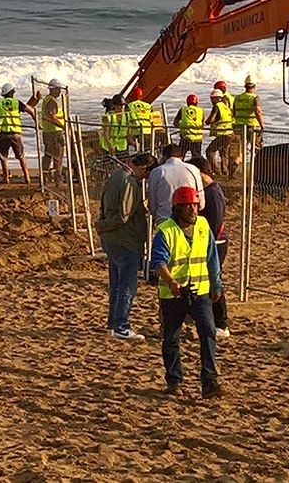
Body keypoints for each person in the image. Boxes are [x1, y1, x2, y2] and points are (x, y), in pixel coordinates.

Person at [149, 186, 223, 397]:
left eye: (195, 205)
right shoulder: (166, 231)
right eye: (188, 206)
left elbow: (212, 258)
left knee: (208, 332)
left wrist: (216, 284)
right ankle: (174, 381)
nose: (193, 210)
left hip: (200, 291)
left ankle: (209, 380)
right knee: (171, 337)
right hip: (173, 294)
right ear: (177, 208)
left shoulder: (203, 225)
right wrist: (171, 282)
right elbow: (158, 262)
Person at [97, 151, 154, 341]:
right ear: (142, 168)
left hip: (112, 240)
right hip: (125, 239)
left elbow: (104, 206)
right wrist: (103, 225)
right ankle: (121, 326)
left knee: (116, 285)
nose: (145, 179)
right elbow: (123, 215)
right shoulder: (129, 182)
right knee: (127, 286)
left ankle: (113, 325)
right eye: (146, 175)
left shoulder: (116, 175)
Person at [188, 155, 232, 340]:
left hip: (215, 243)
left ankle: (221, 324)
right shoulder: (207, 191)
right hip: (210, 242)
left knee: (214, 280)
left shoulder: (213, 194)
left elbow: (214, 224)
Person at [0, 83, 39, 186]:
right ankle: (27, 178)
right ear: (13, 93)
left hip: (4, 135)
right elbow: (32, 112)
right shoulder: (17, 103)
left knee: (3, 157)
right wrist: (37, 124)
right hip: (16, 134)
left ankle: (6, 179)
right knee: (21, 156)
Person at [148, 141, 203, 223]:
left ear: (164, 157)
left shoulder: (157, 172)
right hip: (188, 218)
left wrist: (157, 214)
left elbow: (152, 202)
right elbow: (200, 199)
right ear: (181, 157)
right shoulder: (193, 169)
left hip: (165, 218)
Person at [230, 76, 264, 174]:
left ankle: (235, 164)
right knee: (257, 150)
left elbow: (234, 112)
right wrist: (262, 125)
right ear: (254, 86)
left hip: (239, 126)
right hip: (252, 127)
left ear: (245, 86)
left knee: (240, 151)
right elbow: (257, 111)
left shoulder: (237, 98)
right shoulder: (255, 97)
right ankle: (258, 171)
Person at [38, 79, 68, 183]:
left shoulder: (47, 99)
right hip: (55, 132)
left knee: (48, 155)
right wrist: (63, 126)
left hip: (48, 132)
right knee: (58, 156)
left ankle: (44, 178)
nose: (60, 92)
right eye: (58, 89)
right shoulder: (52, 101)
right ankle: (57, 179)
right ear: (53, 89)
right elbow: (52, 116)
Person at [205, 87, 235, 178]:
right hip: (229, 133)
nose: (211, 100)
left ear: (218, 98)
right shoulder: (225, 106)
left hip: (223, 134)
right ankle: (225, 171)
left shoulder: (217, 106)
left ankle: (217, 171)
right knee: (224, 153)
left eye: (212, 98)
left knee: (209, 151)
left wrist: (207, 122)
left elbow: (211, 119)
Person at [174, 93, 205, 162]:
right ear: (197, 102)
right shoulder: (201, 111)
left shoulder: (182, 110)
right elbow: (202, 124)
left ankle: (179, 170)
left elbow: (175, 123)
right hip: (197, 139)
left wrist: (182, 126)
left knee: (180, 157)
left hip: (185, 138)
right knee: (197, 158)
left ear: (187, 102)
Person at [125, 88, 155, 152]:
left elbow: (126, 118)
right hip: (148, 130)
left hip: (136, 131)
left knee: (139, 151)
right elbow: (152, 116)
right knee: (147, 150)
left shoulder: (129, 105)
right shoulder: (148, 106)